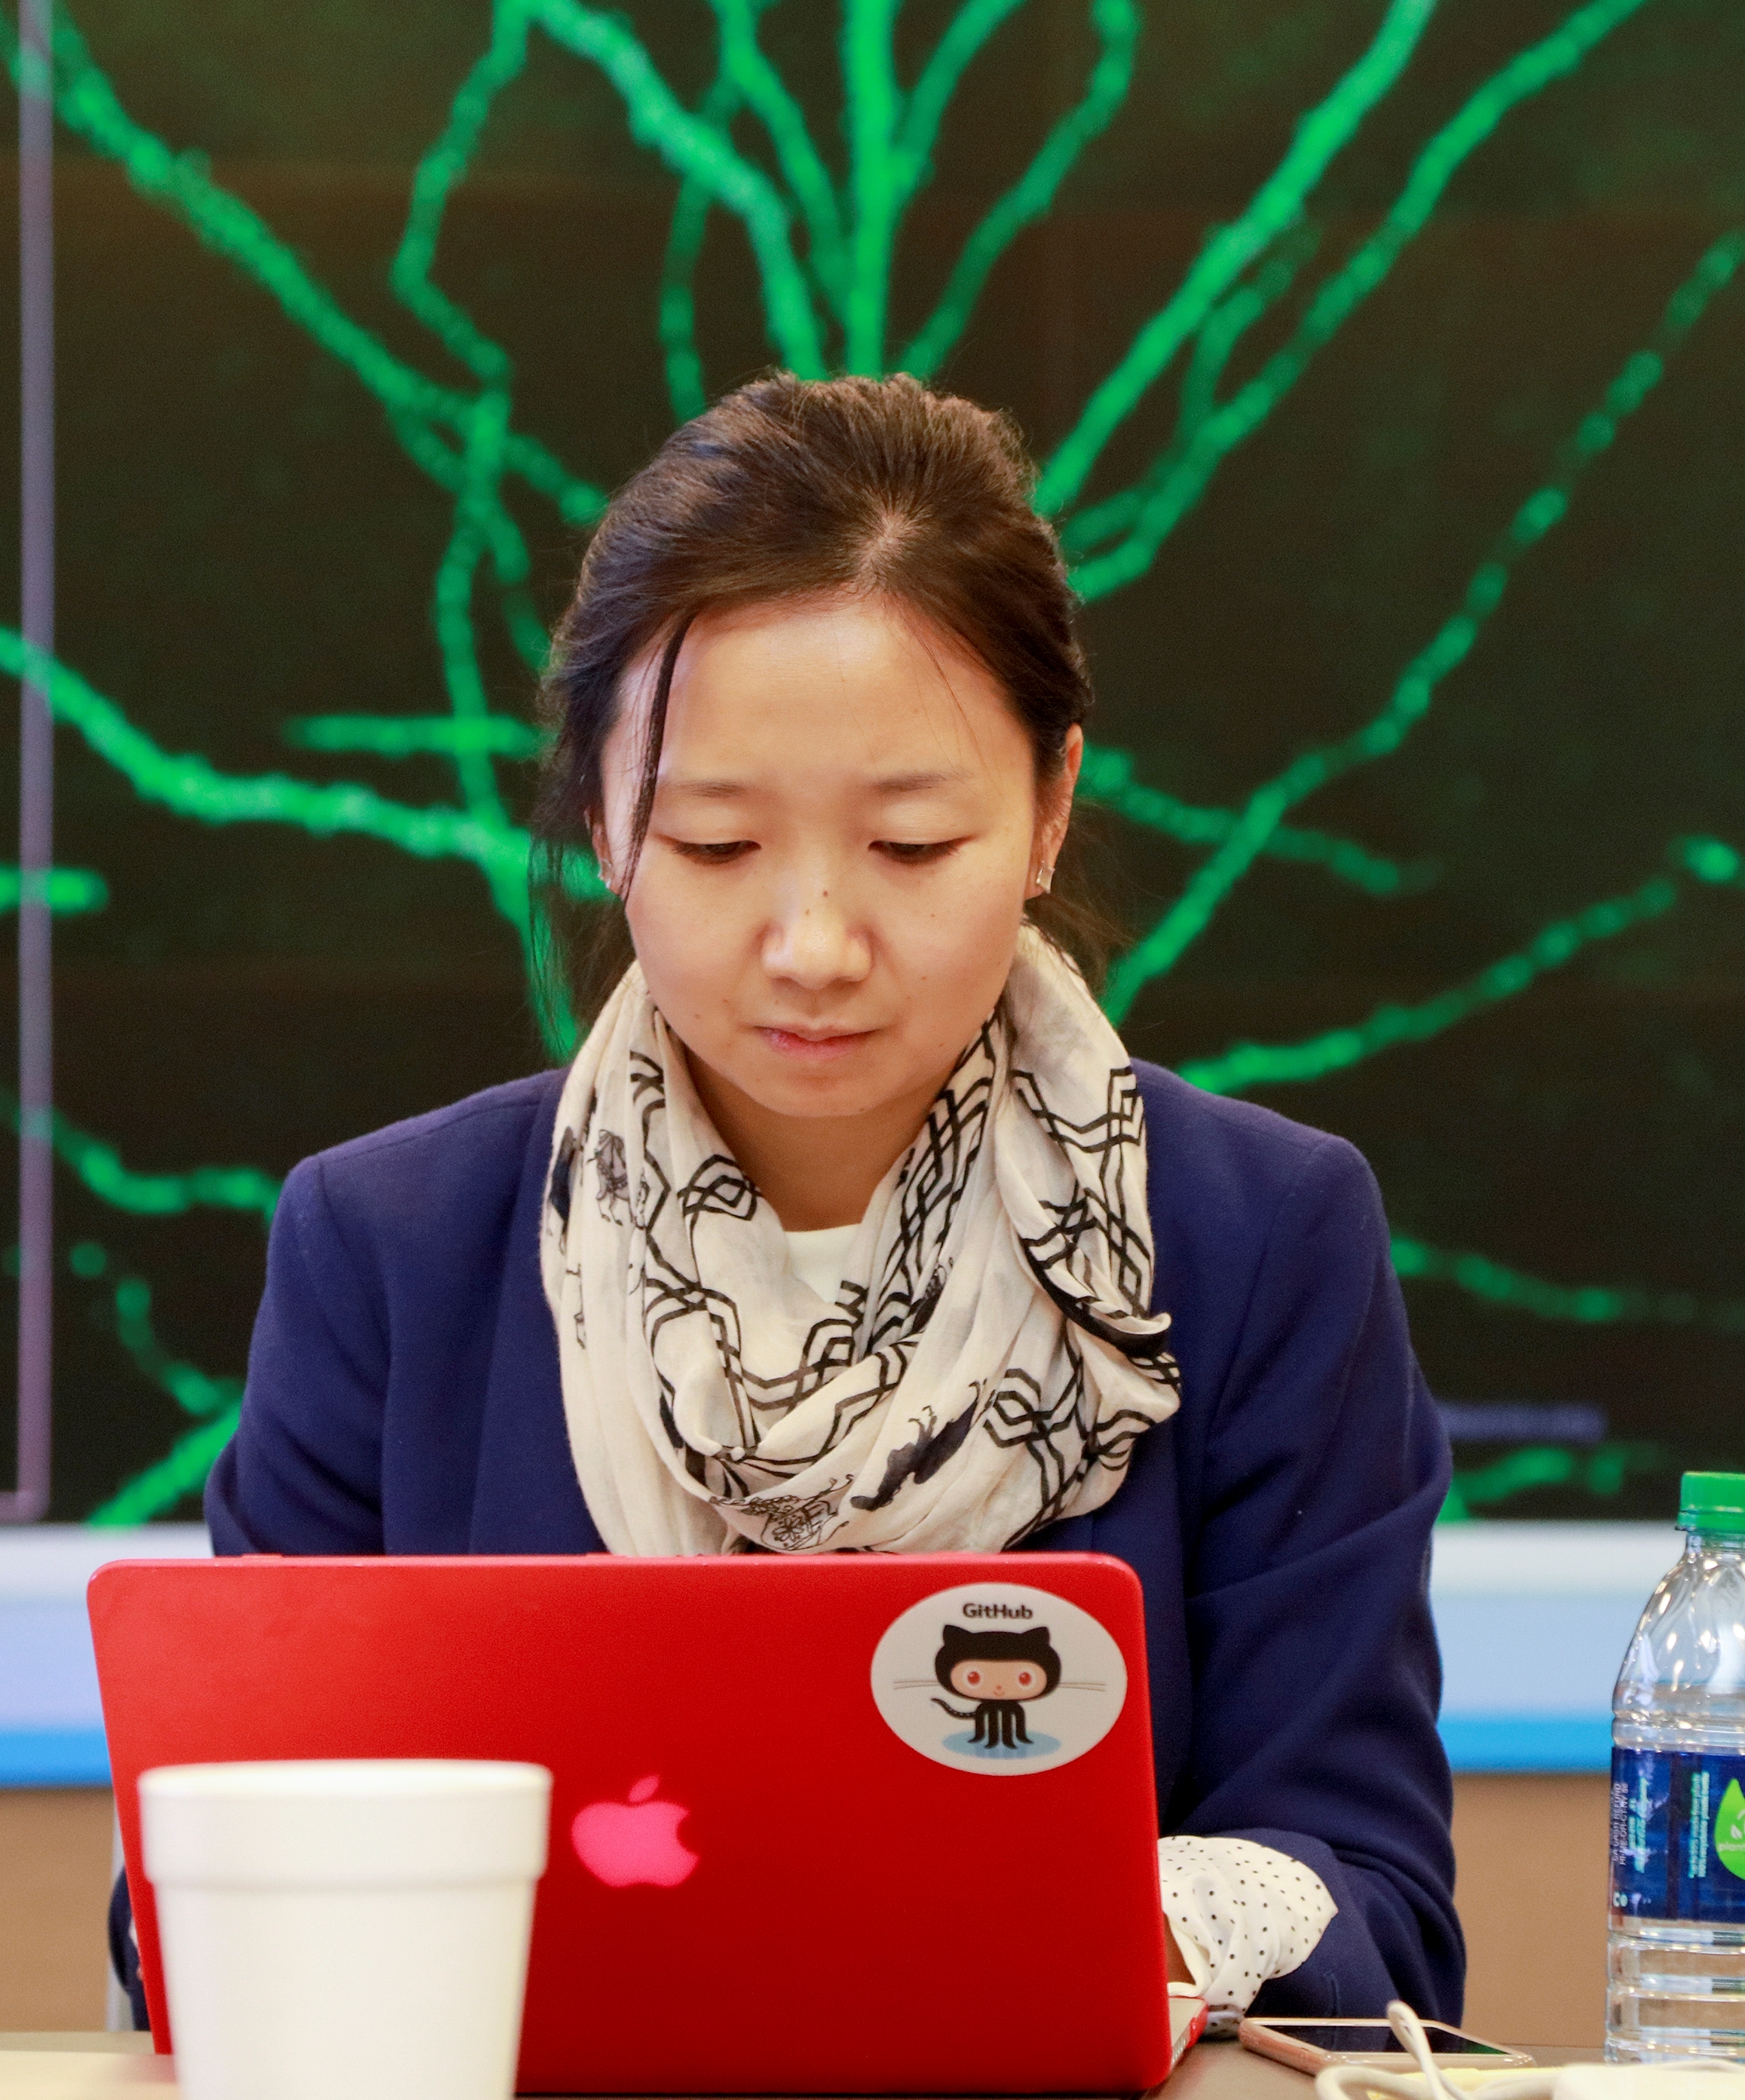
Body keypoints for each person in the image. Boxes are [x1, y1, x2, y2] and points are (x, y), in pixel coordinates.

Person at [115, 373, 1462, 2030]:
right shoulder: (391, 1250)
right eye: (714, 844)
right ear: (604, 821)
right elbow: (185, 1903)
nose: (813, 945)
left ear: (1049, 809)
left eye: (911, 846)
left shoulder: (1259, 1239)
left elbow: (1375, 1909)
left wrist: (1057, 1932)